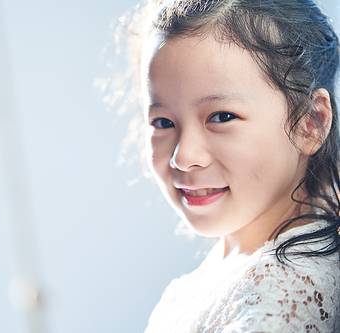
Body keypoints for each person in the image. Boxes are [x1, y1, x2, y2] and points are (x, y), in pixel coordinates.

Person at [109, 0, 340, 331]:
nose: (183, 157)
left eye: (222, 117)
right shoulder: (215, 276)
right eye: (162, 122)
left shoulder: (280, 292)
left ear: (311, 123)